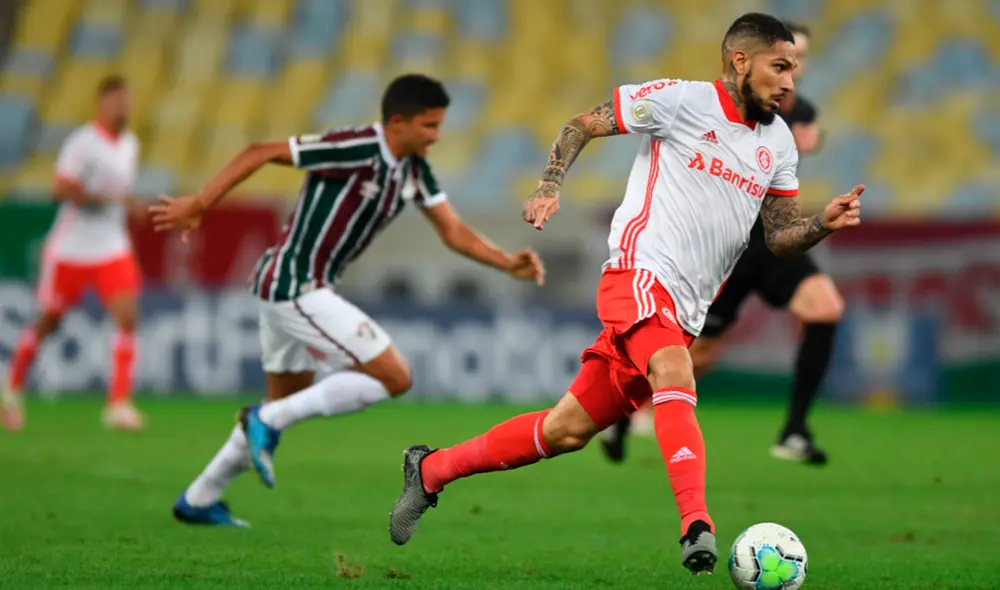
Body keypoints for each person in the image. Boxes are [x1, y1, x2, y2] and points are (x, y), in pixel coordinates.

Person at [387, 13, 863, 575]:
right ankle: (697, 527)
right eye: (779, 67)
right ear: (741, 61)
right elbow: (581, 124)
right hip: (637, 275)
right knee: (674, 369)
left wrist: (822, 224)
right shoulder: (681, 102)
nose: (789, 82)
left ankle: (432, 470)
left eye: (795, 70)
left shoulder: (779, 143)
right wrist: (548, 188)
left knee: (563, 431)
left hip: (686, 307)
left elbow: (779, 236)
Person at [151, 74, 546, 527]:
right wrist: (201, 203)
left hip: (293, 286)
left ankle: (199, 499)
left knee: (287, 403)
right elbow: (260, 152)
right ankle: (263, 420)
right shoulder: (355, 147)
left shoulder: (414, 168)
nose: (436, 136)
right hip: (296, 283)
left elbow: (452, 230)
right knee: (394, 376)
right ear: (397, 122)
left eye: (439, 126)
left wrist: (504, 262)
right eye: (429, 126)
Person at [599, 20, 840, 467]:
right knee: (697, 351)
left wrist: (814, 159)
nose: (796, 69)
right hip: (726, 247)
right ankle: (623, 411)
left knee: (824, 306)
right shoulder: (723, 102)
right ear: (752, 59)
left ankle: (794, 430)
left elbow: (788, 163)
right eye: (788, 59)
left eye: (801, 59)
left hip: (770, 238)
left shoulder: (795, 109)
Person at [2, 75, 145, 432]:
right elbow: (58, 190)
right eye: (116, 101)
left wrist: (128, 204)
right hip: (72, 249)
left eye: (126, 100)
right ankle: (12, 386)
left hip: (111, 245)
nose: (123, 107)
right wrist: (108, 199)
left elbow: (121, 191)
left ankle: (118, 404)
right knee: (49, 321)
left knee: (127, 315)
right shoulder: (83, 143)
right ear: (102, 104)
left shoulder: (130, 143)